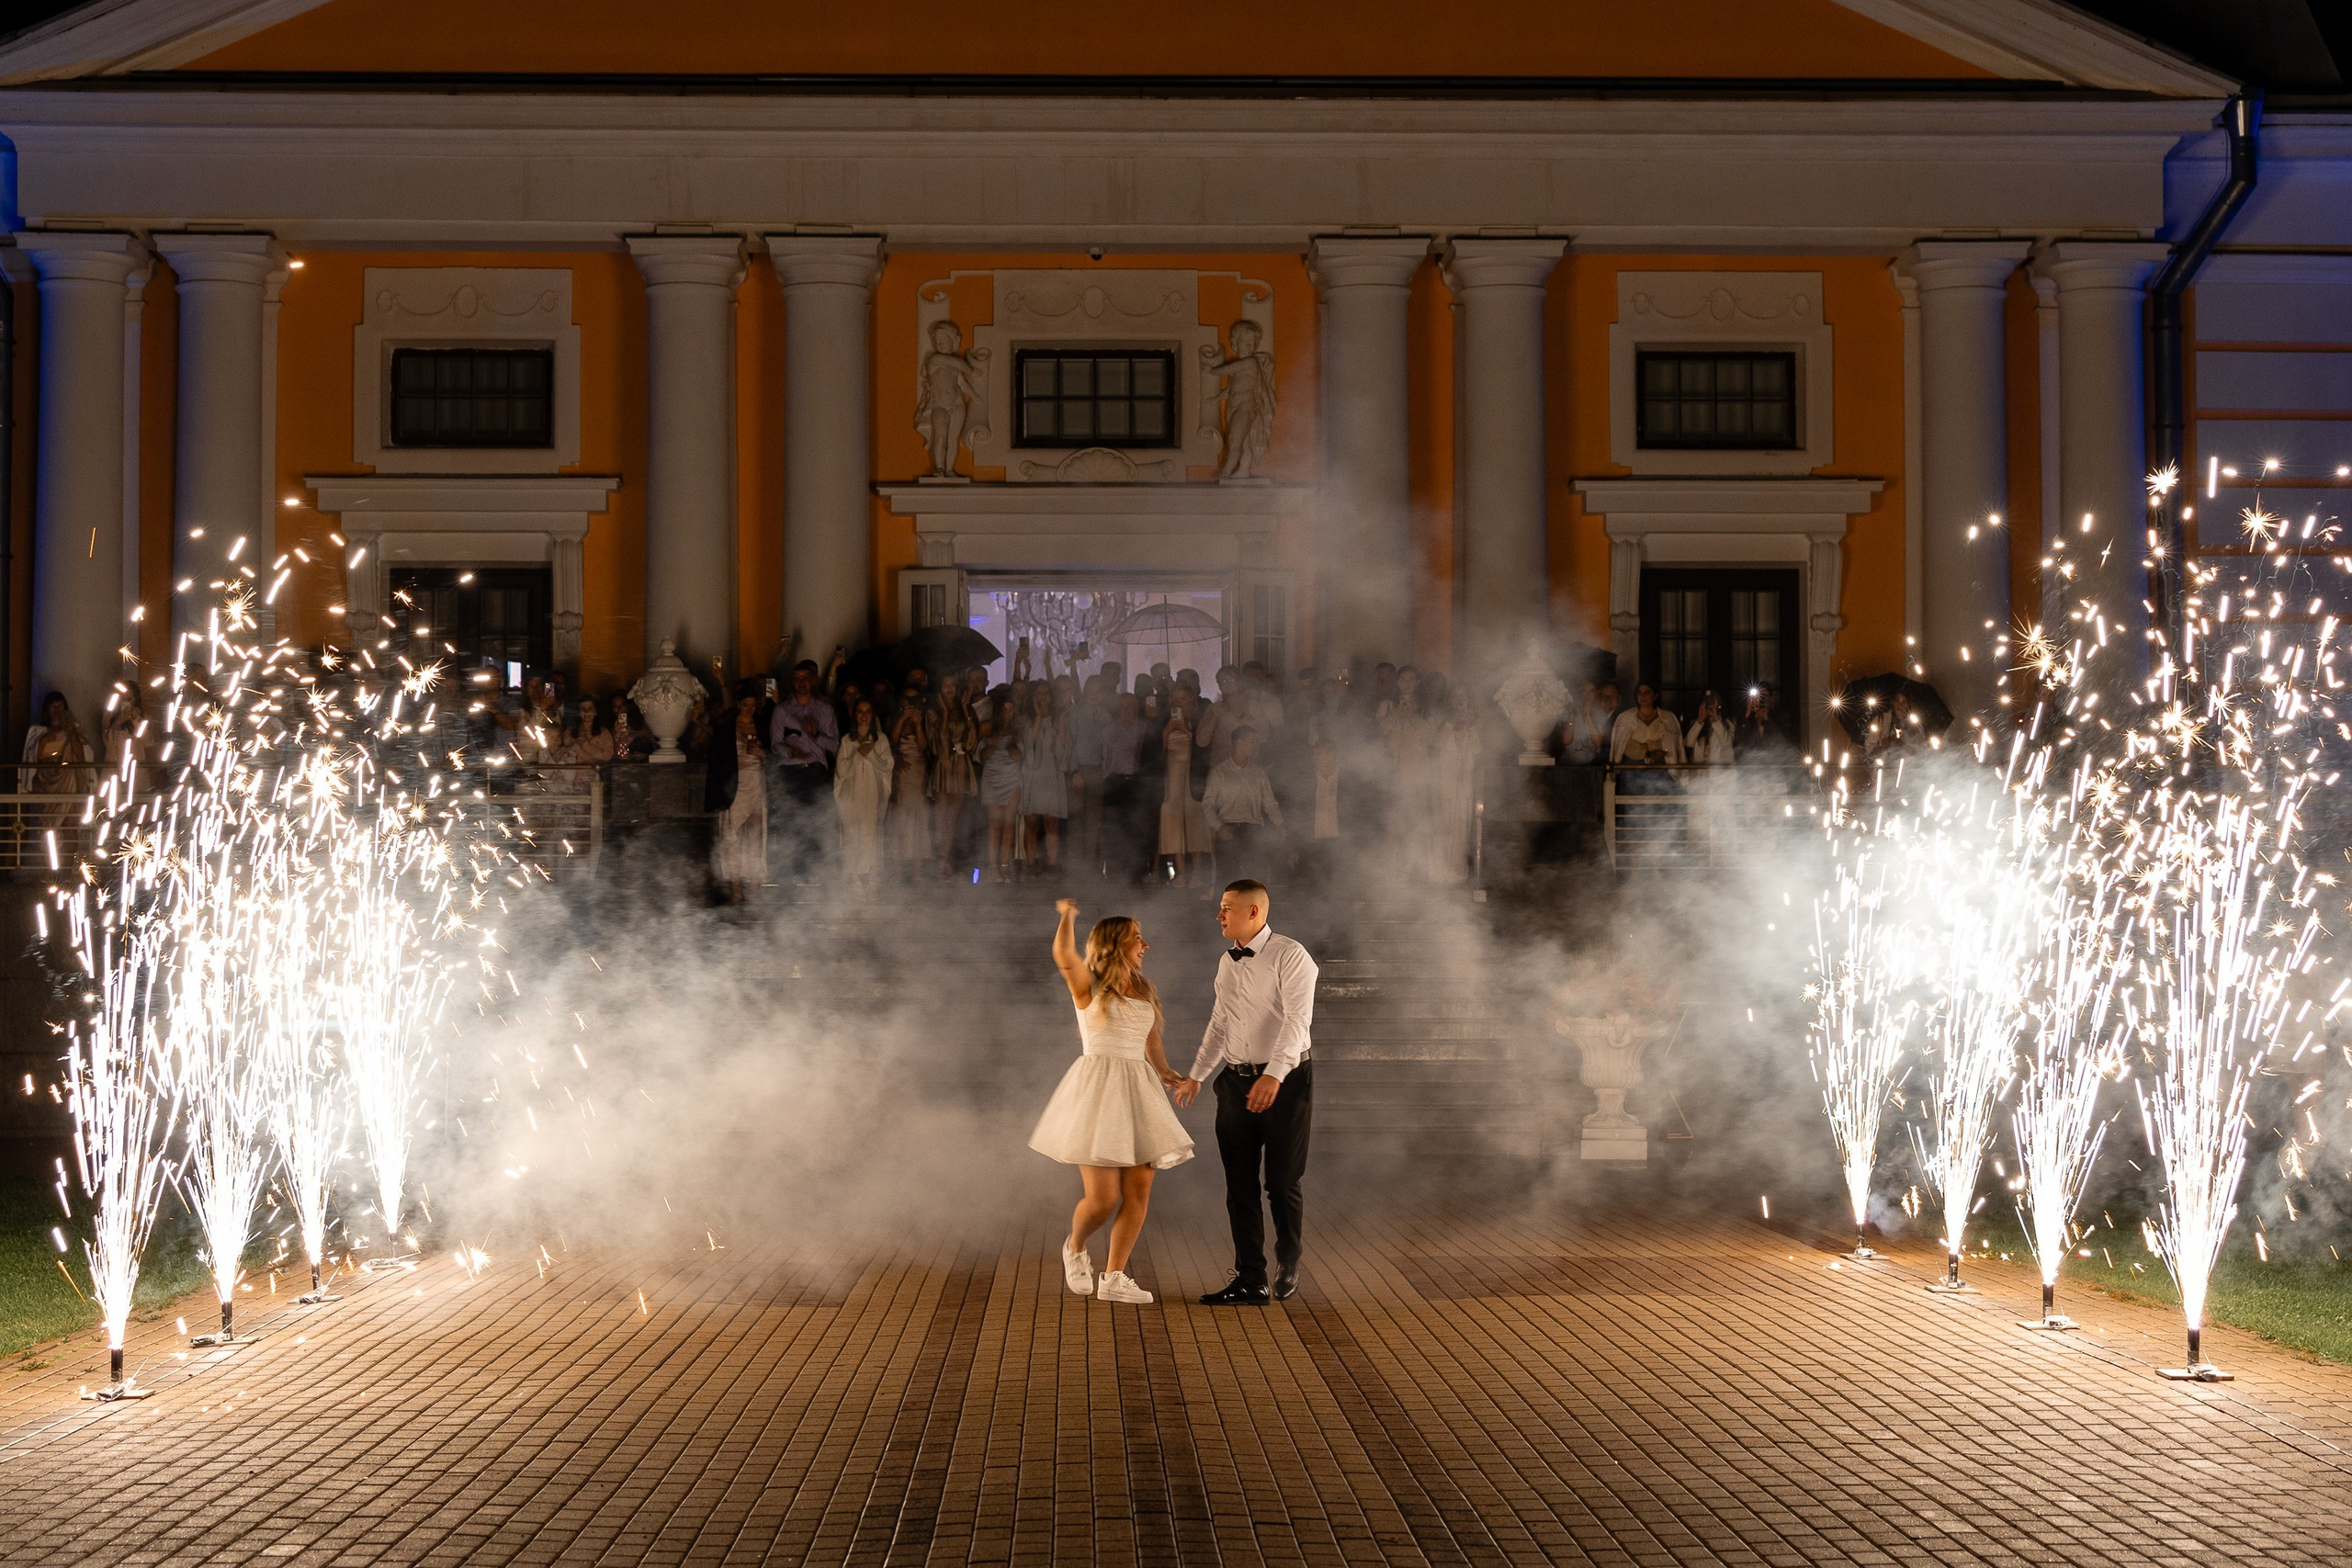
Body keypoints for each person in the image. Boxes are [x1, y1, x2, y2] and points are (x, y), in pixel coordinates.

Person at [1030, 899, 1193, 1305]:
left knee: (1140, 1190)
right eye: (1138, 938)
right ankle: (1076, 1247)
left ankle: (1114, 1277)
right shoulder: (1088, 984)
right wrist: (1067, 916)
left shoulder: (1143, 987)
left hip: (1138, 1089)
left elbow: (1150, 1036)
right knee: (1102, 1200)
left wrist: (1163, 1069)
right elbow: (1063, 954)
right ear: (1116, 943)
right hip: (1099, 1090)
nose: (1146, 945)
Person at [1172, 880, 1318, 1303]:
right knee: (1239, 1186)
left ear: (1253, 912)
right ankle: (1252, 1278)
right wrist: (1198, 1075)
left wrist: (1274, 1075)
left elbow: (1297, 1021)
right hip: (1235, 1083)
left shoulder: (1291, 955)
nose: (1219, 915)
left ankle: (1288, 1257)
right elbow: (1220, 1021)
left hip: (1287, 1081)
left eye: (1226, 908)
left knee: (1282, 1182)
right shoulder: (1227, 961)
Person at [768, 659, 840, 883]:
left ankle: (814, 876)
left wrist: (817, 734)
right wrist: (791, 752)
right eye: (797, 678)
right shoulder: (782, 710)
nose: (801, 682)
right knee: (789, 823)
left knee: (816, 822)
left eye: (805, 678)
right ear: (793, 682)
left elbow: (835, 745)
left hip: (815, 772)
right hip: (790, 772)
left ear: (813, 680)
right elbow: (775, 743)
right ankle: (791, 876)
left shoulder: (825, 710)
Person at [706, 681, 767, 904]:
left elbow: (774, 752)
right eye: (746, 704)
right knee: (733, 837)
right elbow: (716, 759)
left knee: (754, 836)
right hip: (734, 784)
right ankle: (735, 887)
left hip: (756, 782)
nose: (749, 708)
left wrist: (762, 753)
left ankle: (754, 886)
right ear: (739, 704)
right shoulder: (726, 728)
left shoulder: (762, 726)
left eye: (753, 705)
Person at [832, 697, 895, 895]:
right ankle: (854, 879)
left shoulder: (881, 739)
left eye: (868, 711)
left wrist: (871, 753)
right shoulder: (847, 740)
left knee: (872, 833)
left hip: (872, 793)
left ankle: (872, 877)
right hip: (852, 794)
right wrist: (858, 753)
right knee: (853, 834)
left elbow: (887, 765)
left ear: (873, 715)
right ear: (855, 715)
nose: (864, 715)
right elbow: (841, 769)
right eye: (860, 711)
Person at [1202, 725, 1284, 857]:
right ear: (1239, 742)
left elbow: (1270, 804)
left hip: (1254, 833)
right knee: (1229, 871)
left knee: (1255, 870)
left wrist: (1280, 825)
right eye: (1252, 740)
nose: (1255, 745)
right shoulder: (1219, 773)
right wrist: (1220, 828)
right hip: (1228, 831)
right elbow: (1207, 805)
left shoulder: (1259, 773)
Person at [1158, 689, 1213, 886]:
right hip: (1171, 779)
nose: (1178, 703)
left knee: (1194, 823)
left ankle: (1196, 874)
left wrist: (1186, 731)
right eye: (1174, 699)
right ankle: (1180, 873)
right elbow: (1155, 753)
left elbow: (1203, 749)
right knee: (1173, 824)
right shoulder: (1165, 722)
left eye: (1182, 699)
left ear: (1191, 701)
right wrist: (1167, 731)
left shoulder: (1198, 723)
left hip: (1192, 778)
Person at [1017, 680, 1071, 876]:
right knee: (1031, 823)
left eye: (1046, 693)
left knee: (1051, 823)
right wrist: (1039, 717)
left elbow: (1063, 750)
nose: (1043, 697)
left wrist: (1061, 722)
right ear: (1033, 697)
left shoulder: (1057, 719)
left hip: (1051, 775)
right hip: (1033, 775)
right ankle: (1031, 863)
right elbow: (1028, 745)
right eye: (1039, 693)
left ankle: (1053, 864)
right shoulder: (1026, 720)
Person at [931, 675, 980, 880]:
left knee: (951, 819)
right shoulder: (933, 712)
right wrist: (944, 714)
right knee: (940, 818)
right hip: (944, 766)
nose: (949, 688)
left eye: (952, 684)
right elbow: (938, 747)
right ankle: (939, 861)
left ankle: (945, 861)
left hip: (961, 766)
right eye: (945, 685)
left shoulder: (966, 710)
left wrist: (966, 710)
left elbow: (970, 744)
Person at [1428, 693, 1480, 884]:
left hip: (1465, 792)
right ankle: (1438, 874)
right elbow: (1433, 749)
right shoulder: (1442, 730)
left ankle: (1458, 874)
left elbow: (1480, 752)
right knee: (1441, 831)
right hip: (1443, 789)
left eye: (1463, 706)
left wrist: (1472, 726)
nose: (1460, 712)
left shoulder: (1473, 732)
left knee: (1461, 834)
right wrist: (1450, 724)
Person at [978, 694, 1023, 883]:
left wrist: (1011, 744)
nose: (1008, 714)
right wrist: (994, 745)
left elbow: (1019, 756)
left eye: (1011, 710)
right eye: (1005, 710)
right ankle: (992, 867)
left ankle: (1005, 866)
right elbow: (981, 756)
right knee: (994, 824)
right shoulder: (987, 728)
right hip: (992, 779)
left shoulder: (1018, 729)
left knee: (1009, 823)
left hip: (1012, 779)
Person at [888, 694, 933, 882]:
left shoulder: (922, 721)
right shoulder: (895, 720)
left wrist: (918, 724)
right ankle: (897, 872)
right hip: (901, 774)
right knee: (900, 822)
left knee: (918, 823)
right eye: (907, 704)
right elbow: (892, 741)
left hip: (918, 773)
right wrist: (902, 719)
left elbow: (923, 746)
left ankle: (917, 872)